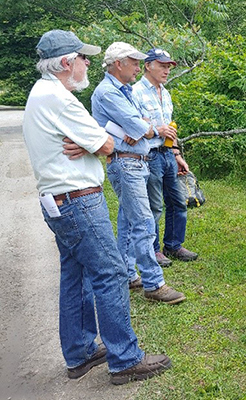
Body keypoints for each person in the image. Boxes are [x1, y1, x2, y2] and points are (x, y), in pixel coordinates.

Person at [22, 29, 171, 384]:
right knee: (113, 273)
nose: (87, 63)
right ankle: (125, 358)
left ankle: (80, 352)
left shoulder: (41, 93)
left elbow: (99, 137)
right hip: (78, 200)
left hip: (57, 201)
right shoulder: (59, 98)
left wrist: (90, 140)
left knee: (75, 275)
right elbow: (106, 144)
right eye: (82, 57)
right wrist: (95, 142)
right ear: (65, 63)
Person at [91, 42, 185, 304]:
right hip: (126, 162)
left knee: (128, 222)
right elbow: (137, 125)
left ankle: (127, 274)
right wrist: (151, 129)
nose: (136, 68)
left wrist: (144, 127)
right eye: (134, 62)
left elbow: (140, 123)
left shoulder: (122, 91)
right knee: (144, 222)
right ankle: (154, 283)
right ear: (119, 63)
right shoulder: (108, 93)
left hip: (137, 161)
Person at [132, 48, 198, 267]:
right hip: (149, 155)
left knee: (178, 202)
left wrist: (177, 153)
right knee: (154, 206)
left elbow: (170, 128)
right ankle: (153, 250)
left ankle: (173, 245)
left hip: (168, 154)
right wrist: (156, 129)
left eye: (169, 66)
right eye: (162, 65)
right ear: (148, 65)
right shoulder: (135, 92)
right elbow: (131, 127)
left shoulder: (165, 93)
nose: (167, 70)